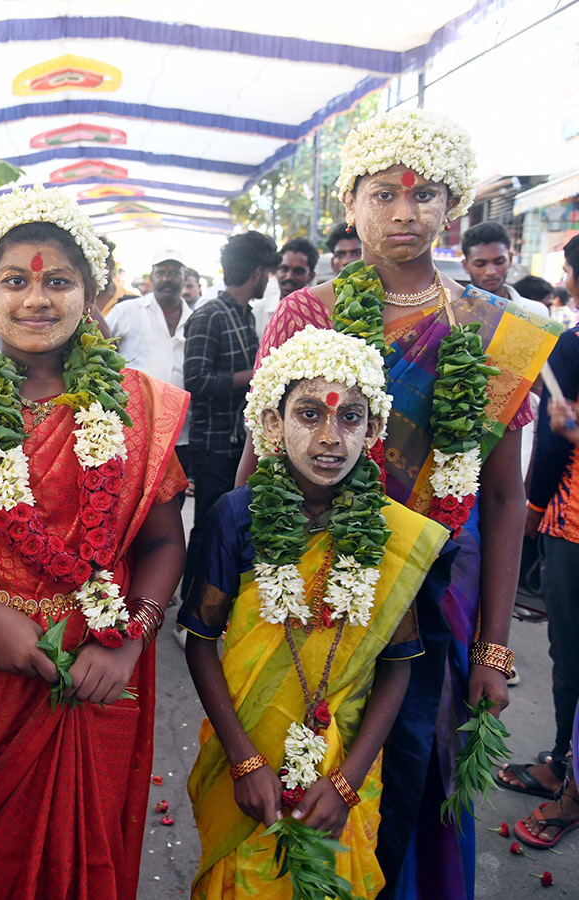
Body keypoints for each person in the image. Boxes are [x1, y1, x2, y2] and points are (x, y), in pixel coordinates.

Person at [243, 109, 560, 900]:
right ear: (350, 203)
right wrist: (236, 588)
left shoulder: (498, 330)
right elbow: (260, 454)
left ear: (451, 208)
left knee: (416, 780)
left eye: (425, 197)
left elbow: (505, 494)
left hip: (438, 589)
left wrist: (492, 647)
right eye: (384, 194)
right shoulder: (305, 312)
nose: (404, 214)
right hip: (316, 585)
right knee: (307, 779)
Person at [0, 186, 189, 900]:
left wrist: (131, 640)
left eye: (58, 281)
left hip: (103, 672)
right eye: (14, 281)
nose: (37, 300)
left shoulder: (136, 402)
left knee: (89, 858)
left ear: (93, 292)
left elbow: (166, 541)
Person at [184, 326, 453, 899]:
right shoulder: (235, 516)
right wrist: (242, 760)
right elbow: (201, 642)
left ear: (374, 429)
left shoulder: (388, 531)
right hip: (248, 746)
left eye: (350, 418)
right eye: (309, 414)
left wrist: (348, 781)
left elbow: (398, 665)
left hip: (345, 764)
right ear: (273, 425)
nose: (330, 438)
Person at [506, 236, 579, 801]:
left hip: (572, 526)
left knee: (571, 648)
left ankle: (564, 764)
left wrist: (529, 512)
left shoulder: (572, 346)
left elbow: (554, 452)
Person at [183, 231, 276, 587]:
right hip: (213, 445)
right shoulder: (210, 316)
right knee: (208, 527)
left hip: (240, 443)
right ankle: (193, 609)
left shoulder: (243, 315)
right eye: (267, 272)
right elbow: (196, 380)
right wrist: (254, 376)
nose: (268, 279)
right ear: (257, 272)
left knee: (231, 528)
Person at [105, 248, 195, 502]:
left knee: (172, 500)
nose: (167, 278)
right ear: (152, 277)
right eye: (161, 272)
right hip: (135, 429)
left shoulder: (195, 318)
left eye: (174, 272)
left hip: (180, 433)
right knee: (131, 500)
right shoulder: (129, 310)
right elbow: (101, 345)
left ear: (184, 277)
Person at [461, 221, 549, 318]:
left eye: (499, 262)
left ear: (510, 260)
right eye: (480, 264)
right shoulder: (453, 313)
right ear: (466, 266)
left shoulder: (535, 312)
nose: (491, 272)